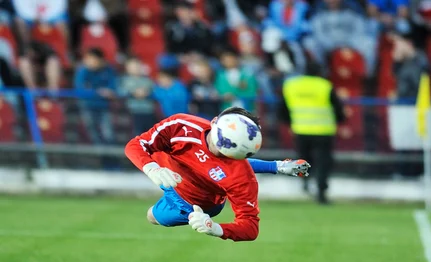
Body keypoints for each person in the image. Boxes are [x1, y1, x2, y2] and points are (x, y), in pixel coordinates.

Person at [124, 106, 310, 241]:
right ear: (214, 122)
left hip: (193, 202)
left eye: (228, 154)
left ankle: (275, 166)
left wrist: (216, 229)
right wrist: (151, 168)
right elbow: (135, 145)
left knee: (151, 217)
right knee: (222, 168)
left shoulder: (242, 176)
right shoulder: (181, 125)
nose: (219, 153)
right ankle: (275, 166)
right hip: (165, 172)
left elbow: (250, 227)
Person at [280, 61, 345, 204]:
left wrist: (289, 124)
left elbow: (283, 108)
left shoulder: (291, 85)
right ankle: (321, 192)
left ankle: (304, 182)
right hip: (323, 130)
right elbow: (338, 108)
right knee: (323, 162)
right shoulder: (325, 85)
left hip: (300, 129)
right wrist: (340, 121)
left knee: (304, 158)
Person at [74, 47, 117, 144]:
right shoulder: (82, 71)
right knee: (92, 132)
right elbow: (81, 89)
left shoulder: (108, 70)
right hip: (87, 107)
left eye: (92, 59)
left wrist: (108, 92)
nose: (88, 62)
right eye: (87, 59)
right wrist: (99, 92)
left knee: (108, 133)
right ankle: (99, 155)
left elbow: (113, 89)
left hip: (104, 107)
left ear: (100, 60)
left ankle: (110, 156)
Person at [119, 57, 156, 135]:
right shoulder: (124, 80)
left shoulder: (148, 80)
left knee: (150, 134)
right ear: (127, 68)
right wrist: (133, 93)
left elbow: (155, 93)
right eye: (132, 66)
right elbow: (120, 93)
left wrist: (147, 94)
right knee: (137, 134)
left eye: (137, 66)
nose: (135, 68)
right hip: (133, 111)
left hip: (148, 110)